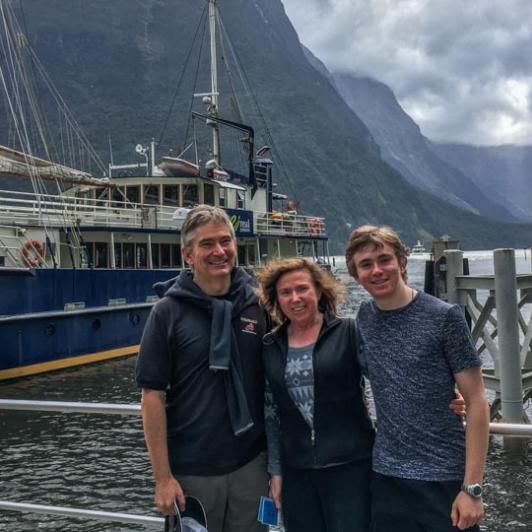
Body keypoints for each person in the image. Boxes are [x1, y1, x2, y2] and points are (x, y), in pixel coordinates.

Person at [345, 225, 490, 532]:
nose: (377, 270)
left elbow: (477, 402)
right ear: (356, 274)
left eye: (385, 259)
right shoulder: (364, 318)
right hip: (386, 478)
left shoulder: (444, 317)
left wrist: (472, 489)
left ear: (402, 261)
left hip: (444, 478)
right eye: (366, 265)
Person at [136, 205, 269, 532]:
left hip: (252, 466)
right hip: (193, 471)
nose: (219, 251)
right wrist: (163, 478)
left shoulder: (258, 303)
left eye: (226, 241)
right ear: (188, 255)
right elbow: (152, 396)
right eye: (207, 244)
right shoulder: (167, 312)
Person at [257, 258, 376, 532]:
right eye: (285, 292)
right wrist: (276, 471)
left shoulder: (348, 332)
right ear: (275, 299)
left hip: (351, 466)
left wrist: (445, 399)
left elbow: (386, 381)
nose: (295, 298)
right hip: (297, 471)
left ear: (319, 291)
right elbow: (272, 413)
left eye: (302, 289)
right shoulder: (271, 345)